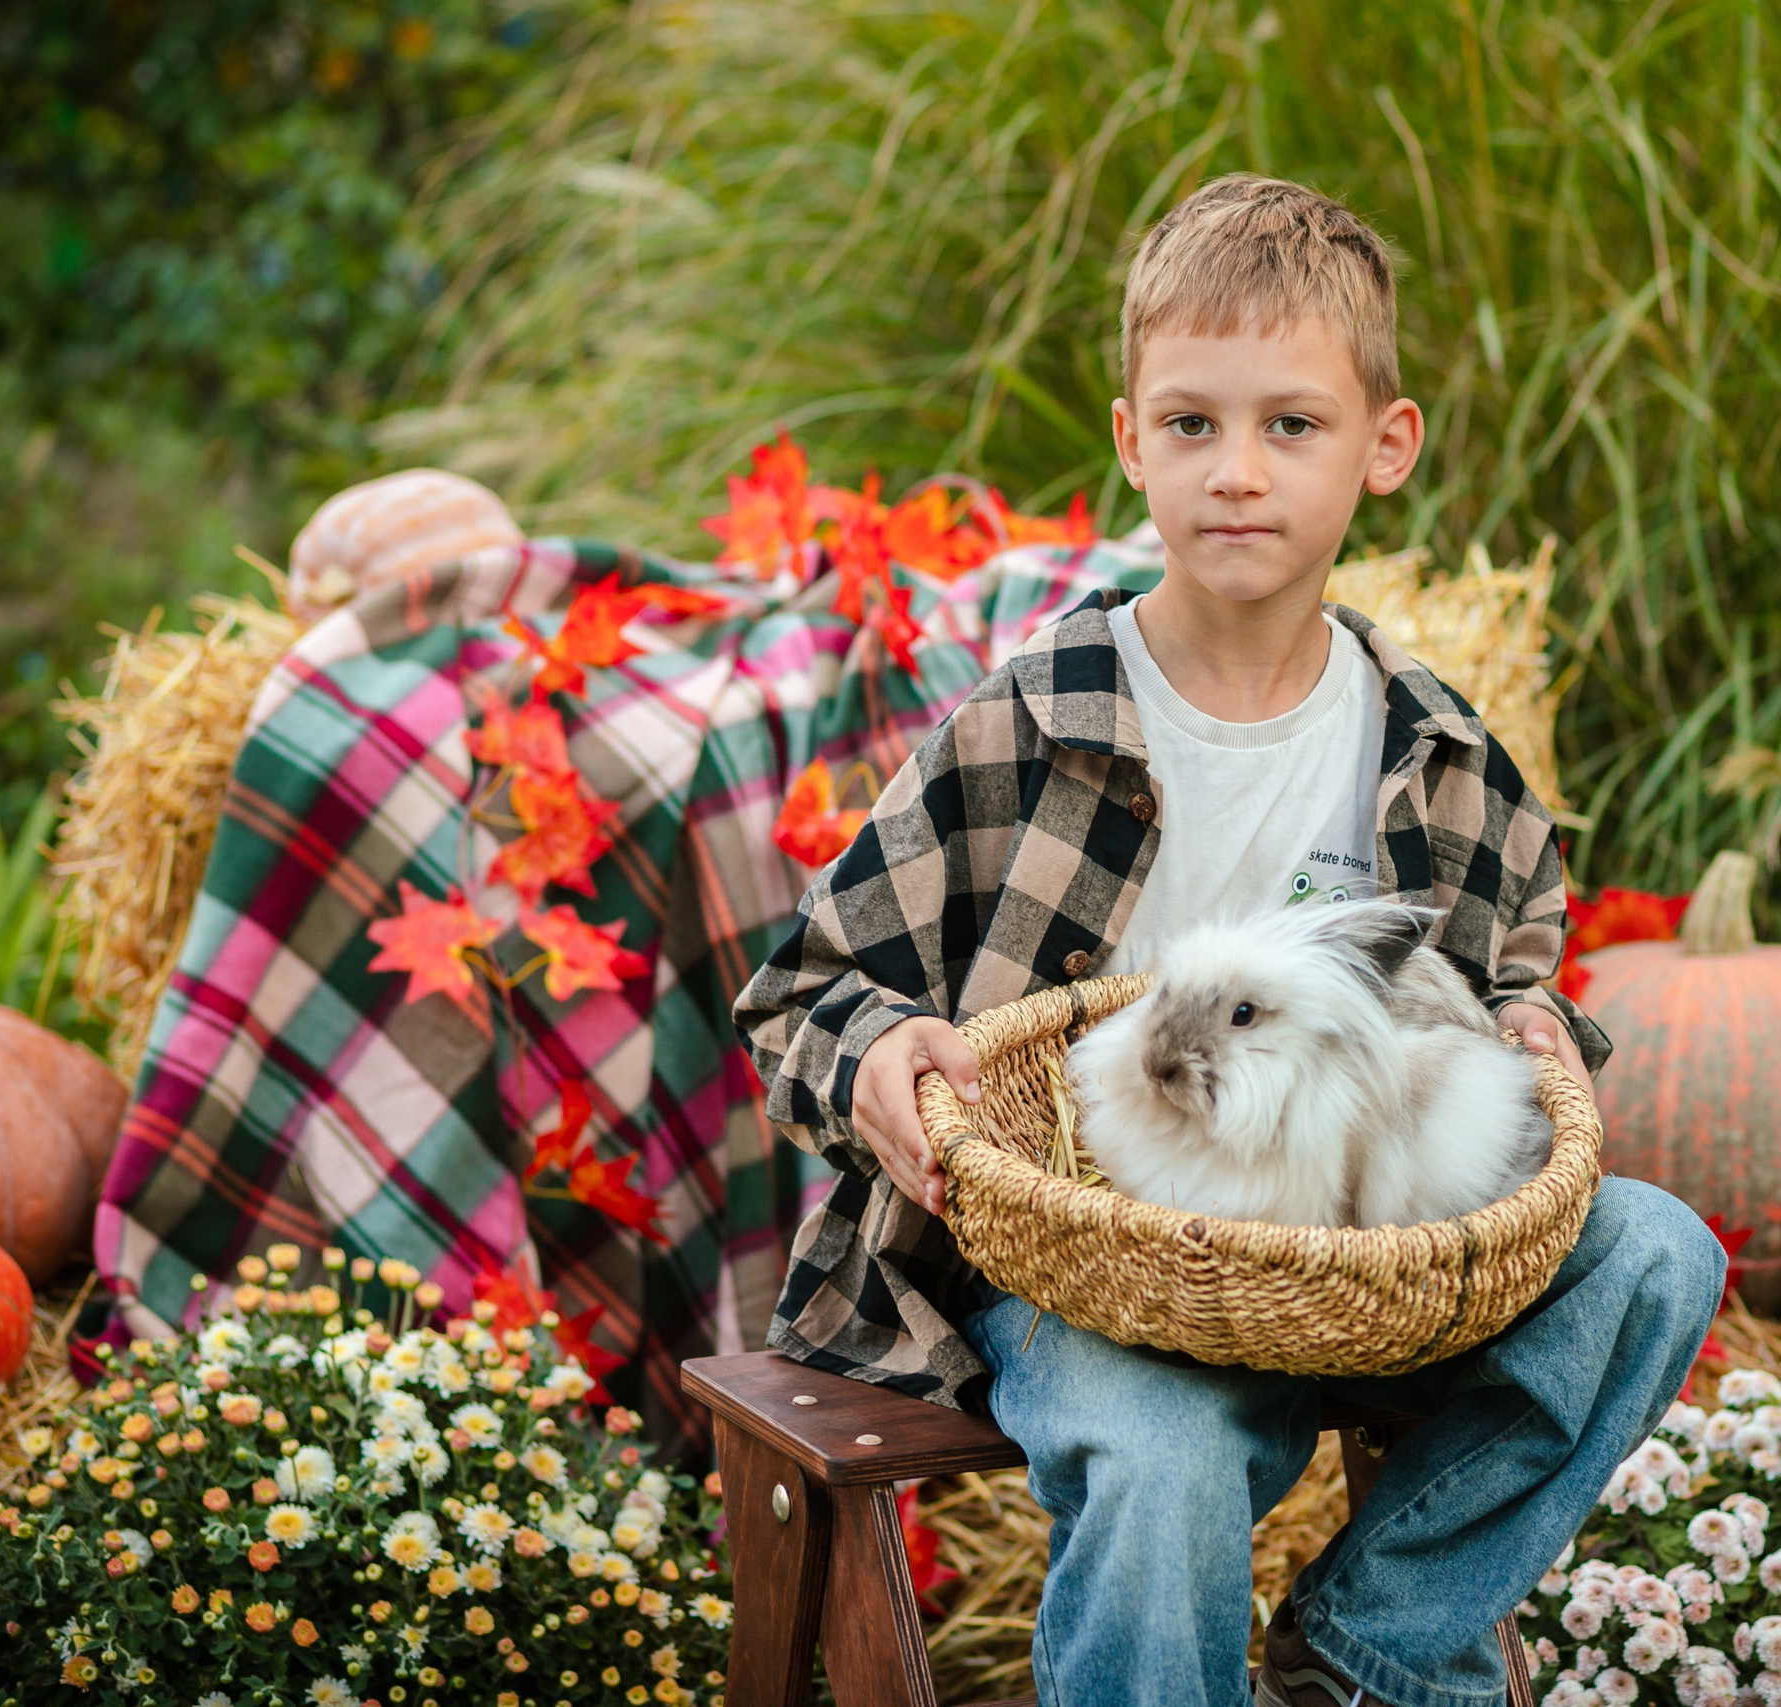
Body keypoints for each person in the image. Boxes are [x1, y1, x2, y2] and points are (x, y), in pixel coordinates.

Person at [734, 174, 1725, 1707]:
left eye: (1292, 427)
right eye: (1191, 426)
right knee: (1164, 1451)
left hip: (1368, 1253)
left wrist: (1534, 1036)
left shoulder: (1433, 747)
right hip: (1102, 1267)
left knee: (1657, 1251)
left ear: (1384, 449)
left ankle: (1374, 1646)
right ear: (1132, 441)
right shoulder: (1035, 717)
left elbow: (1515, 966)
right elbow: (801, 992)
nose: (1237, 474)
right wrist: (874, 1058)